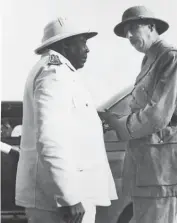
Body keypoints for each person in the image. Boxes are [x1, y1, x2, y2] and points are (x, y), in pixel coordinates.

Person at [99, 6, 177, 223]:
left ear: (151, 27)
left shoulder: (170, 57)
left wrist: (119, 124)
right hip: (151, 161)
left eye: (133, 28)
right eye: (125, 31)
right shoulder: (150, 58)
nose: (128, 36)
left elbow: (157, 115)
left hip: (164, 163)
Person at [15, 17, 117, 223]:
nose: (87, 49)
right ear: (65, 44)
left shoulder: (58, 73)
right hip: (63, 202)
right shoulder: (54, 73)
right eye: (83, 42)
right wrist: (69, 197)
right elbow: (50, 139)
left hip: (61, 197)